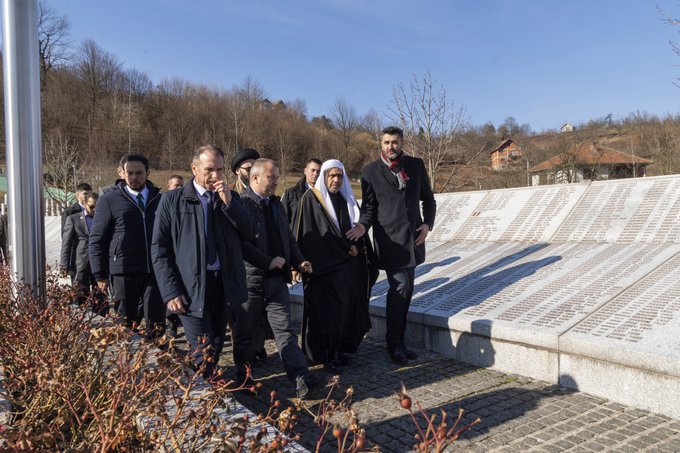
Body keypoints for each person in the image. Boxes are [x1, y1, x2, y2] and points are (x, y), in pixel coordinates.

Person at [152, 145, 256, 380]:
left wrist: (230, 202)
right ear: (194, 168)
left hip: (223, 284)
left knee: (217, 344)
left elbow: (250, 232)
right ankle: (203, 398)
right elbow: (159, 249)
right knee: (203, 348)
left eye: (220, 170)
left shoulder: (229, 199)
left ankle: (201, 386)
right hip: (190, 286)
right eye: (209, 170)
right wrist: (170, 292)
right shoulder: (172, 201)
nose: (216, 176)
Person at [347, 126, 436, 365]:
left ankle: (399, 341)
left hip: (414, 240)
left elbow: (428, 199)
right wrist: (362, 227)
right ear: (381, 144)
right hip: (390, 242)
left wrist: (427, 225)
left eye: (394, 142)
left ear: (401, 142)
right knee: (400, 288)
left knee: (407, 293)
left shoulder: (415, 165)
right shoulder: (370, 172)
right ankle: (393, 344)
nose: (390, 147)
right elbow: (369, 209)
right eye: (386, 142)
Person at [239, 158, 319, 398]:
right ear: (254, 178)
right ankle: (243, 379)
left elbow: (288, 239)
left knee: (285, 331)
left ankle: (300, 377)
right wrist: (267, 261)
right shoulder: (241, 204)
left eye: (276, 178)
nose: (275, 182)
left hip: (276, 281)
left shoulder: (276, 204)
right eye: (270, 178)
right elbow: (241, 245)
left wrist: (299, 261)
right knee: (246, 333)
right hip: (250, 281)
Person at [295, 159, 375, 373]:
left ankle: (340, 350)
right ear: (324, 177)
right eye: (331, 176)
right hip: (324, 269)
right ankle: (327, 355)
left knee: (345, 311)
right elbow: (315, 235)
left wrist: (356, 245)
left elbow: (355, 228)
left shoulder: (345, 199)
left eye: (339, 176)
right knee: (327, 314)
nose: (336, 180)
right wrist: (346, 248)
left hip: (347, 268)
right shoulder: (312, 199)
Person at [89, 154, 165, 338]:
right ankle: (127, 363)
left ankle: (161, 362)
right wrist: (100, 274)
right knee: (125, 323)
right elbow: (98, 238)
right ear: (121, 172)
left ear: (147, 173)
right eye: (129, 173)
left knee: (156, 323)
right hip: (123, 270)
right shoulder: (109, 200)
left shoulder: (160, 199)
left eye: (139, 173)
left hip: (155, 269)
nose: (134, 177)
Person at [61, 192, 102, 308]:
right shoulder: (73, 219)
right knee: (81, 296)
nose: (94, 210)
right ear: (84, 203)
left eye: (97, 207)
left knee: (100, 296)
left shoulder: (103, 219)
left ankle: (101, 320)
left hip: (99, 263)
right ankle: (82, 323)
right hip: (80, 263)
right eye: (91, 206)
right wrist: (64, 265)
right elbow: (66, 244)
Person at [164, 174, 185, 337]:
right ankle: (171, 323)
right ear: (168, 186)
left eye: (181, 186)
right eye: (175, 185)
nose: (179, 189)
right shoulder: (164, 203)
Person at [61, 183, 93, 281]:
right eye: (85, 194)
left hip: (95, 260)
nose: (88, 197)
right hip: (78, 260)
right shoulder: (70, 212)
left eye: (90, 194)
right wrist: (65, 264)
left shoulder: (97, 211)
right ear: (77, 195)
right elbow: (66, 239)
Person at [281, 158, 321, 230]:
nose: (315, 174)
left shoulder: (325, 196)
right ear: (305, 171)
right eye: (313, 170)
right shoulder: (290, 193)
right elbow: (282, 220)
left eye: (318, 171)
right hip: (297, 239)